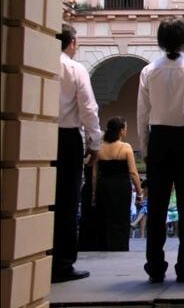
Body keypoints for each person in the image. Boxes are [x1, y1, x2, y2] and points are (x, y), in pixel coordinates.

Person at [137, 17, 184, 283]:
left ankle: (155, 267)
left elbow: (142, 114)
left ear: (160, 41)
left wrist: (146, 147)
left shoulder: (148, 71)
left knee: (156, 206)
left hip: (159, 139)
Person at [52, 24, 101, 283]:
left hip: (40, 133)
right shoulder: (74, 68)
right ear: (71, 43)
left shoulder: (40, 62)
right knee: (66, 202)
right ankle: (62, 263)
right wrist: (94, 142)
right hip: (67, 138)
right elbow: (88, 108)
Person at [92, 116, 143, 251]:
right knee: (121, 217)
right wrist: (139, 192)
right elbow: (133, 172)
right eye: (125, 128)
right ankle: (120, 246)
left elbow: (95, 174)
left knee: (104, 217)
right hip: (121, 187)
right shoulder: (126, 147)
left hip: (103, 186)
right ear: (121, 131)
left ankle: (104, 246)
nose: (126, 131)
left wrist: (94, 193)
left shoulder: (100, 148)